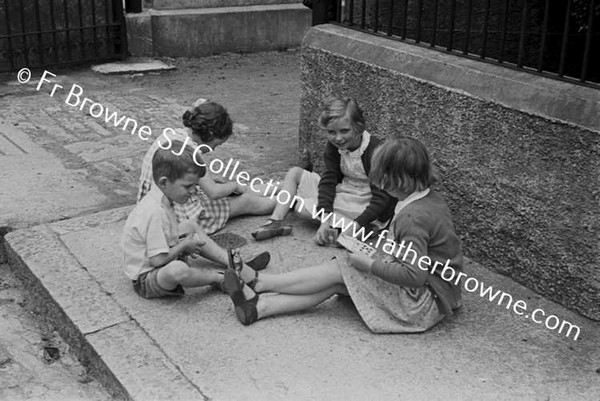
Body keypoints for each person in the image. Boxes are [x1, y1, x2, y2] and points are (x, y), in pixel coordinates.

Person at [223, 137, 463, 332]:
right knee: (339, 280)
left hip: (422, 302)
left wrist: (369, 264)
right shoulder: (427, 200)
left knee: (342, 269)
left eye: (381, 180)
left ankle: (259, 283)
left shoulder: (414, 217)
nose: (378, 185)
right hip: (439, 294)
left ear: (397, 179)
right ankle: (260, 307)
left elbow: (414, 275)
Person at [122, 140, 269, 299]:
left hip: (162, 255)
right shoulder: (155, 212)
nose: (194, 191)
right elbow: (157, 260)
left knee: (190, 226)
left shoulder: (162, 196)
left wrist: (183, 242)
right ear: (164, 182)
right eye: (188, 186)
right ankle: (219, 277)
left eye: (195, 185)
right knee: (177, 270)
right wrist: (184, 245)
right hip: (148, 277)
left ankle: (232, 263)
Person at [251, 96, 396, 245]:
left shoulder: (374, 150)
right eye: (332, 132)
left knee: (301, 208)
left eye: (344, 131)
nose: (338, 138)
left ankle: (359, 227)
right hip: (343, 191)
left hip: (365, 201)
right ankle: (276, 220)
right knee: (295, 173)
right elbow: (329, 181)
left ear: (358, 127)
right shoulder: (335, 146)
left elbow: (381, 198)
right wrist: (325, 220)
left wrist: (357, 224)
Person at [138, 98, 276, 235]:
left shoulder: (173, 134)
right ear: (210, 135)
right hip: (175, 214)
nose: (213, 149)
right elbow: (214, 192)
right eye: (216, 144)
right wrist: (233, 186)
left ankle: (280, 188)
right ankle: (288, 199)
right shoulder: (190, 151)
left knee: (237, 190)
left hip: (155, 203)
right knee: (245, 201)